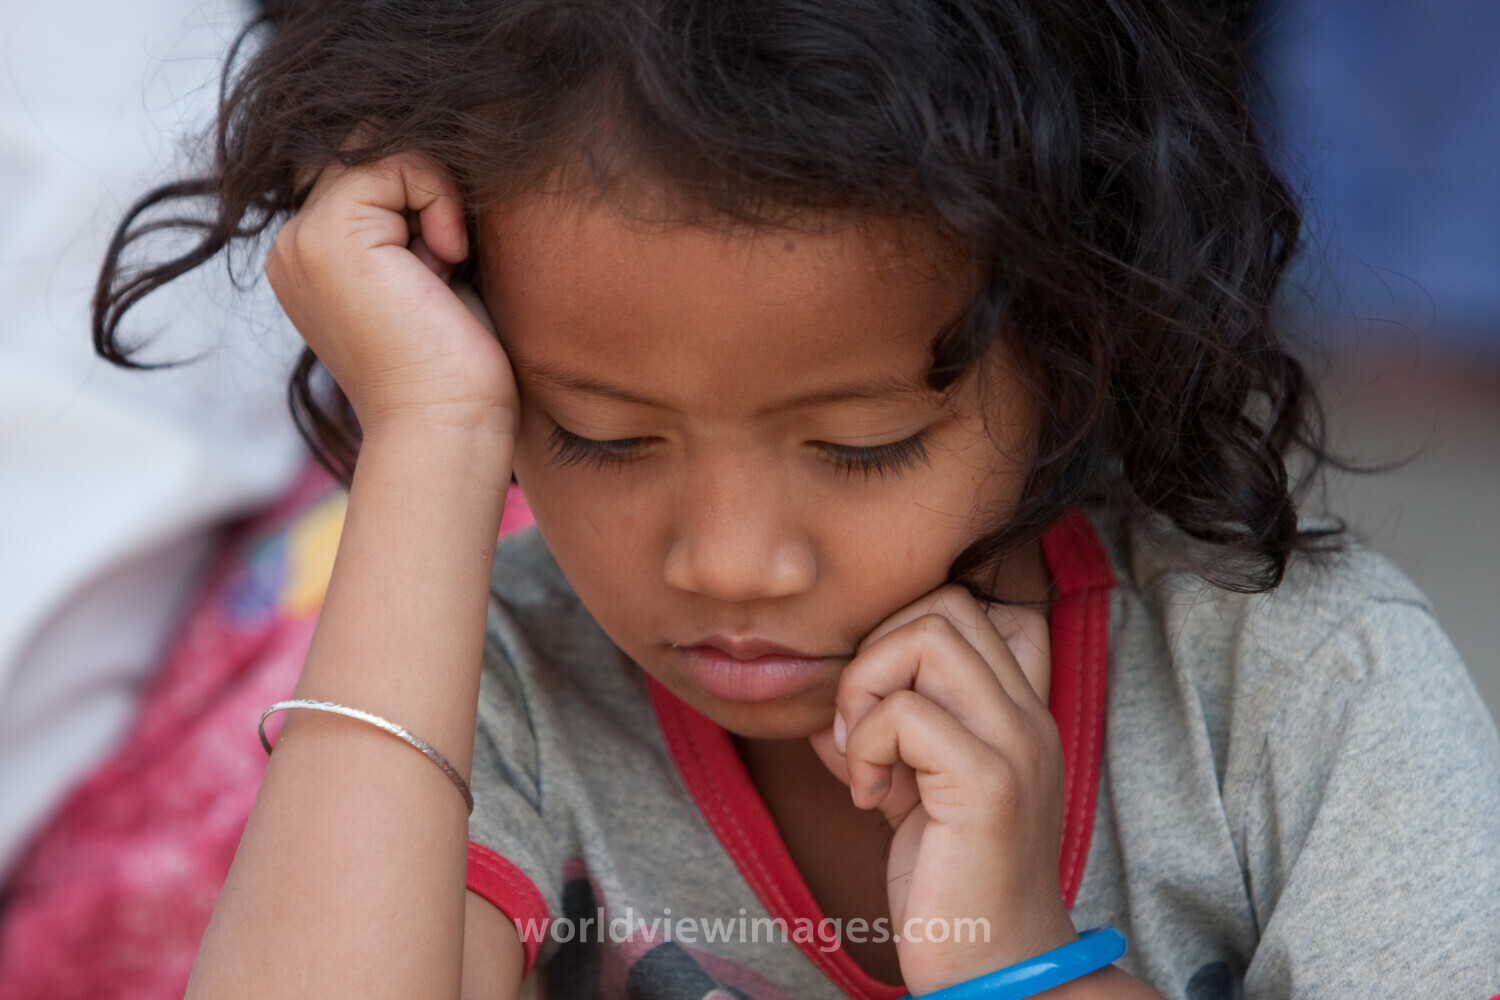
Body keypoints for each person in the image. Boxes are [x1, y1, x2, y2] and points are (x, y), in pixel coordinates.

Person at [91, 1, 1500, 998]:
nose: (730, 562)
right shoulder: (494, 701)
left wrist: (1017, 965)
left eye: (862, 445)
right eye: (598, 436)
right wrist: (425, 431)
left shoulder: (1294, 695)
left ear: (1077, 353)